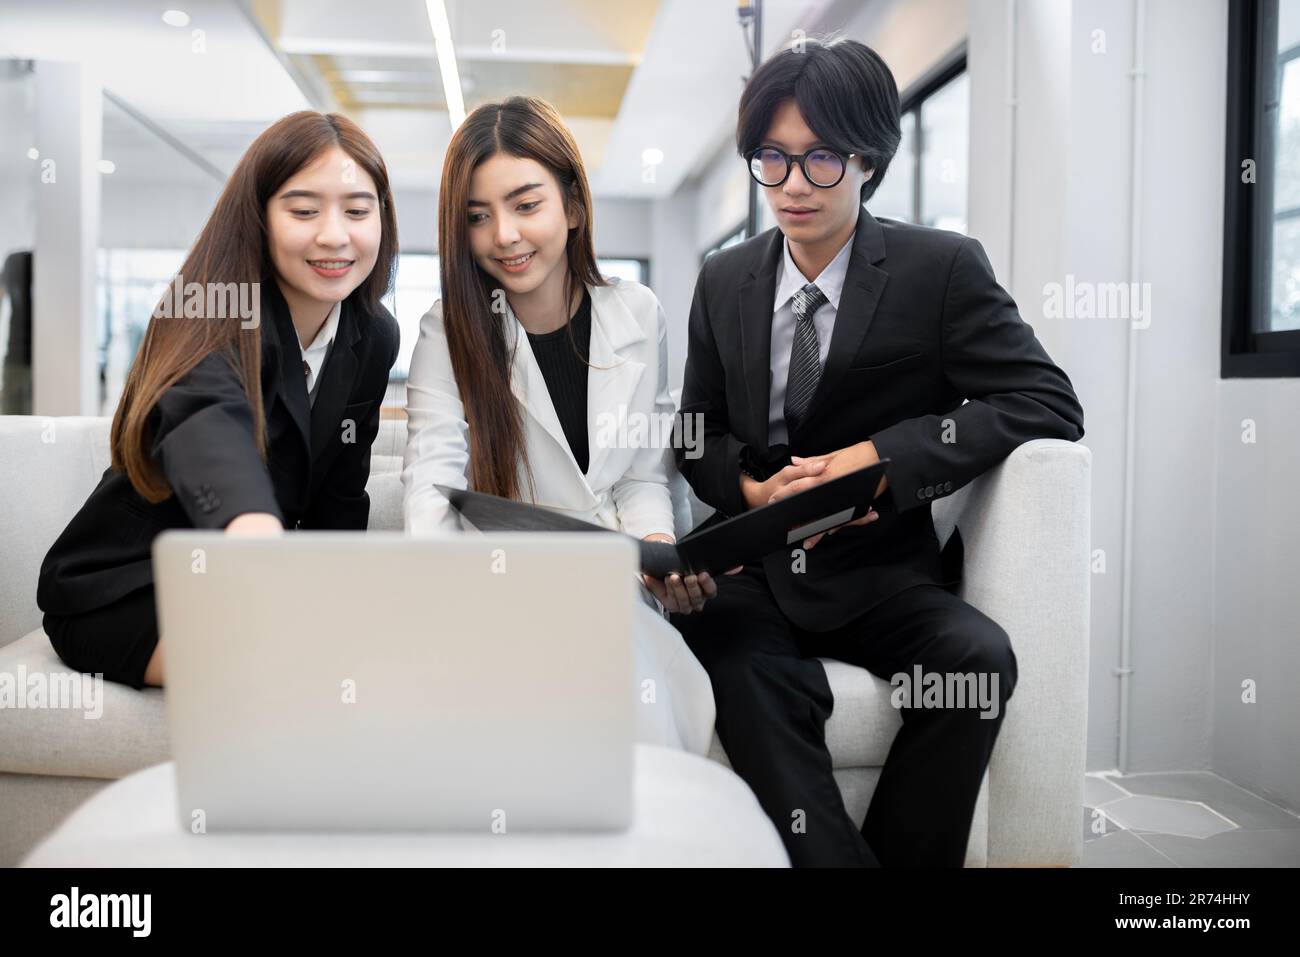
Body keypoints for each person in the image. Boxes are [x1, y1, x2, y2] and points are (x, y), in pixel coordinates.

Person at [672, 38, 1086, 866]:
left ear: (869, 158)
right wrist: (750, 490)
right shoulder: (725, 279)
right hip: (753, 569)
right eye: (773, 159)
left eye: (821, 158)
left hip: (881, 571)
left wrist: (880, 455)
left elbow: (1048, 401)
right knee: (746, 669)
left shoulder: (941, 270)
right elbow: (694, 434)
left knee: (978, 657)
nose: (793, 185)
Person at [38, 111, 402, 689]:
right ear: (258, 218)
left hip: (244, 581)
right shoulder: (210, 307)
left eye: (358, 211)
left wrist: (338, 595)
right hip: (130, 586)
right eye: (304, 210)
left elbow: (341, 489)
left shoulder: (373, 332)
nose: (334, 235)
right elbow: (209, 420)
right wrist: (252, 528)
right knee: (291, 678)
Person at [401, 96, 715, 755]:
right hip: (502, 588)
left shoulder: (638, 310)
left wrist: (658, 544)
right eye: (477, 217)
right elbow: (433, 475)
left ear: (572, 206)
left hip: (614, 585)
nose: (504, 235)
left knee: (625, 691)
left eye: (525, 204)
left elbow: (639, 475)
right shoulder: (448, 330)